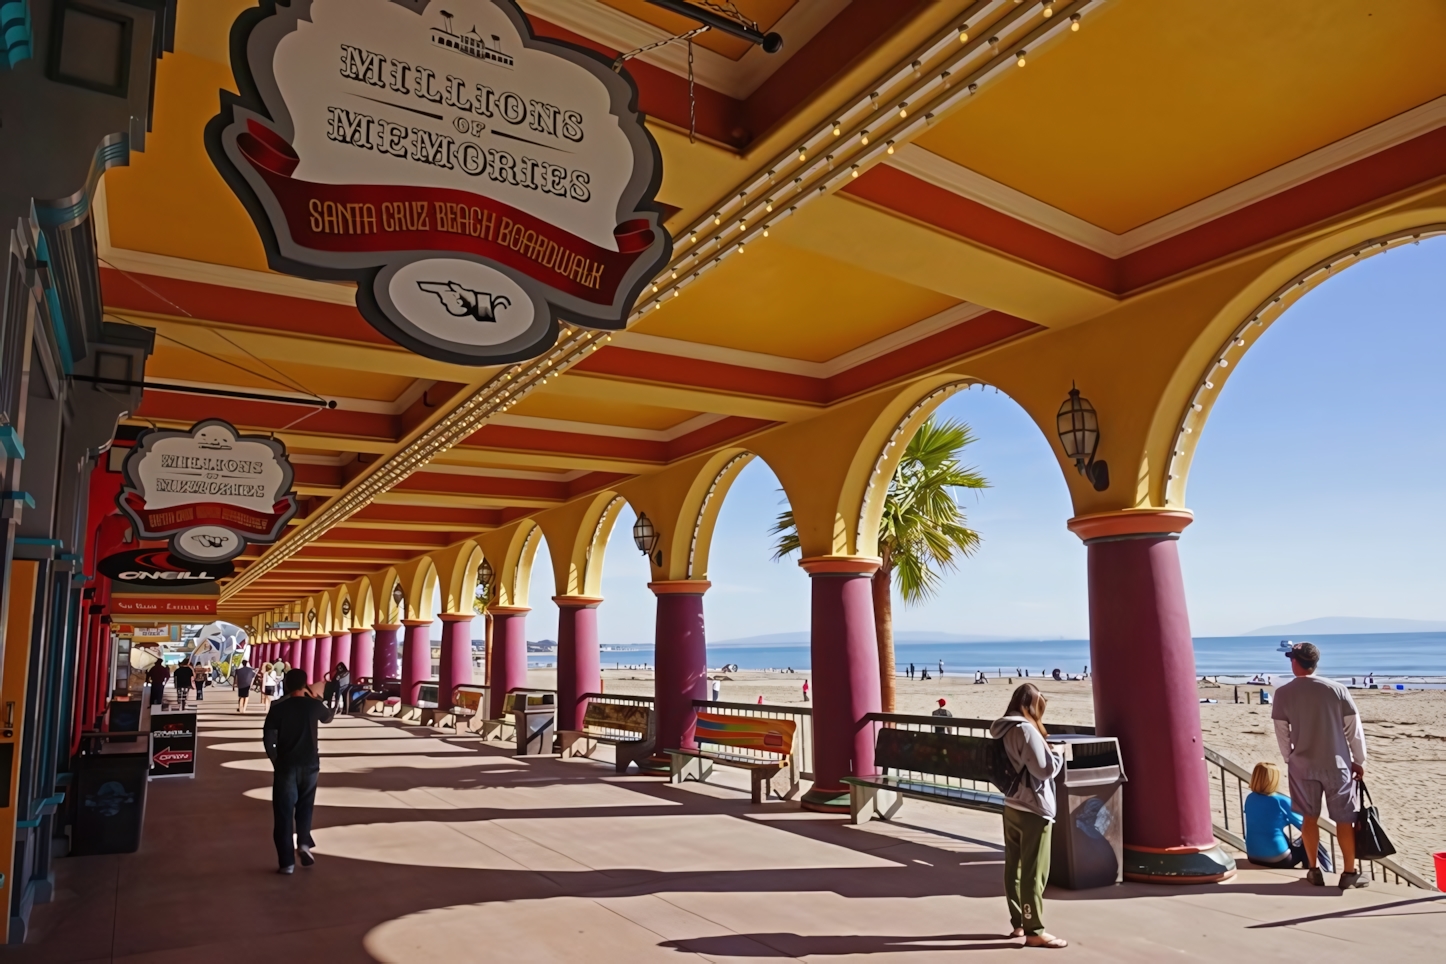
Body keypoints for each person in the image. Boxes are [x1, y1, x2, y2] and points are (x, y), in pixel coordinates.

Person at [1272, 642, 1368, 889]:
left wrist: (1289, 757)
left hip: (1302, 765)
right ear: (1315, 663)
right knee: (1344, 820)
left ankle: (1314, 869)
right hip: (1337, 765)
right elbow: (1353, 730)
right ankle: (1349, 873)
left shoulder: (1283, 693)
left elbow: (1282, 732)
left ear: (1295, 662)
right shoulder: (1337, 689)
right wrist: (1359, 760)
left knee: (1309, 818)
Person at [989, 683, 1067, 949]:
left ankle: (1018, 922)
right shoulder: (1025, 729)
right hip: (1034, 807)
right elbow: (1044, 770)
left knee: (1014, 866)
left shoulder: (1001, 728)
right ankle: (1035, 930)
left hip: (1011, 802)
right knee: (1035, 870)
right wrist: (1058, 754)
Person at [263, 668, 335, 874]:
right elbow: (328, 717)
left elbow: (268, 739)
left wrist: (276, 761)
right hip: (310, 764)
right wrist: (314, 697)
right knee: (305, 807)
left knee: (284, 813)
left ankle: (287, 863)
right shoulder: (314, 706)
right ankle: (303, 843)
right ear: (305, 685)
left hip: (286, 765)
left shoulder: (278, 707)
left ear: (285, 684)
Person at [1243, 761, 1331, 871]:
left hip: (1253, 855)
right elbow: (1303, 824)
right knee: (1308, 839)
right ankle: (1313, 870)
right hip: (1278, 859)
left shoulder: (1250, 798)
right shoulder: (1281, 801)